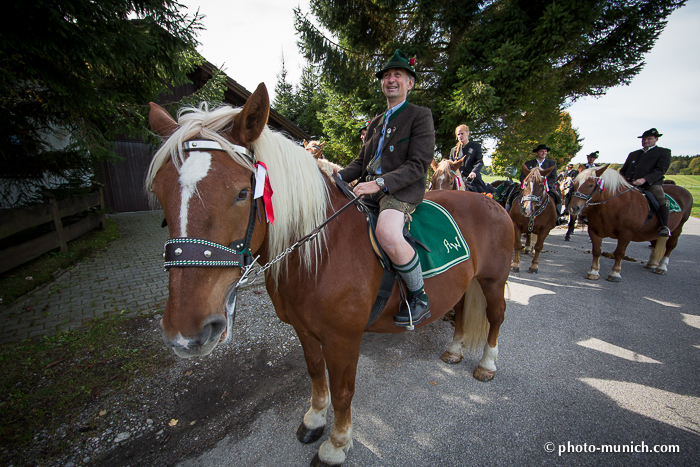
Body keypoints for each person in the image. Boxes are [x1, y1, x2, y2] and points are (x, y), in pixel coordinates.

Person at [337, 49, 435, 328]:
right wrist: (335, 178)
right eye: (386, 76)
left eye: (398, 75)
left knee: (387, 233)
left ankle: (419, 297)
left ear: (410, 83)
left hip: (401, 190)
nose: (391, 80)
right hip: (370, 187)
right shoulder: (377, 121)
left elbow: (418, 164)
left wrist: (380, 182)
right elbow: (360, 162)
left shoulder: (420, 115)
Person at [620, 128, 672, 237]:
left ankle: (664, 226)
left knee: (661, 198)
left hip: (650, 184)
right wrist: (623, 179)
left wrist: (644, 180)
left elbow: (660, 169)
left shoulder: (663, 152)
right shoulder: (634, 154)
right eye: (644, 139)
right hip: (629, 183)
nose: (646, 141)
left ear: (656, 139)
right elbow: (623, 170)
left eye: (649, 139)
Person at [506, 144, 563, 223]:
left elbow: (553, 177)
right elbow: (523, 176)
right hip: (529, 186)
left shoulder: (552, 163)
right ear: (536, 153)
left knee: (557, 197)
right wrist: (526, 184)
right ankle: (508, 213)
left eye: (545, 151)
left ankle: (558, 218)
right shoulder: (528, 163)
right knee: (513, 194)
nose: (544, 153)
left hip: (545, 186)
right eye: (542, 151)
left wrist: (547, 185)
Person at [448, 125, 487, 192]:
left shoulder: (476, 147)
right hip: (457, 181)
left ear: (468, 133)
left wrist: (473, 172)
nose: (460, 136)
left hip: (472, 180)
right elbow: (451, 166)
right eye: (458, 134)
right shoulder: (453, 150)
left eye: (462, 133)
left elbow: (479, 162)